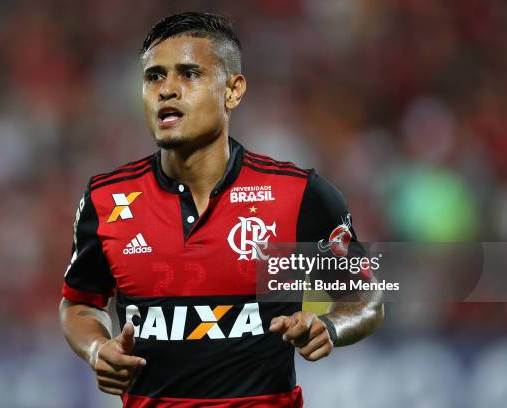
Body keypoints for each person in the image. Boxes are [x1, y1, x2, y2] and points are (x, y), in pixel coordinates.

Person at [59, 12, 383, 407]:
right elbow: (79, 302)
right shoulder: (106, 199)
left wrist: (330, 327)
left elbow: (365, 296)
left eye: (189, 73)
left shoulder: (298, 195)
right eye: (154, 77)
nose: (167, 90)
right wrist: (97, 349)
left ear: (233, 90)